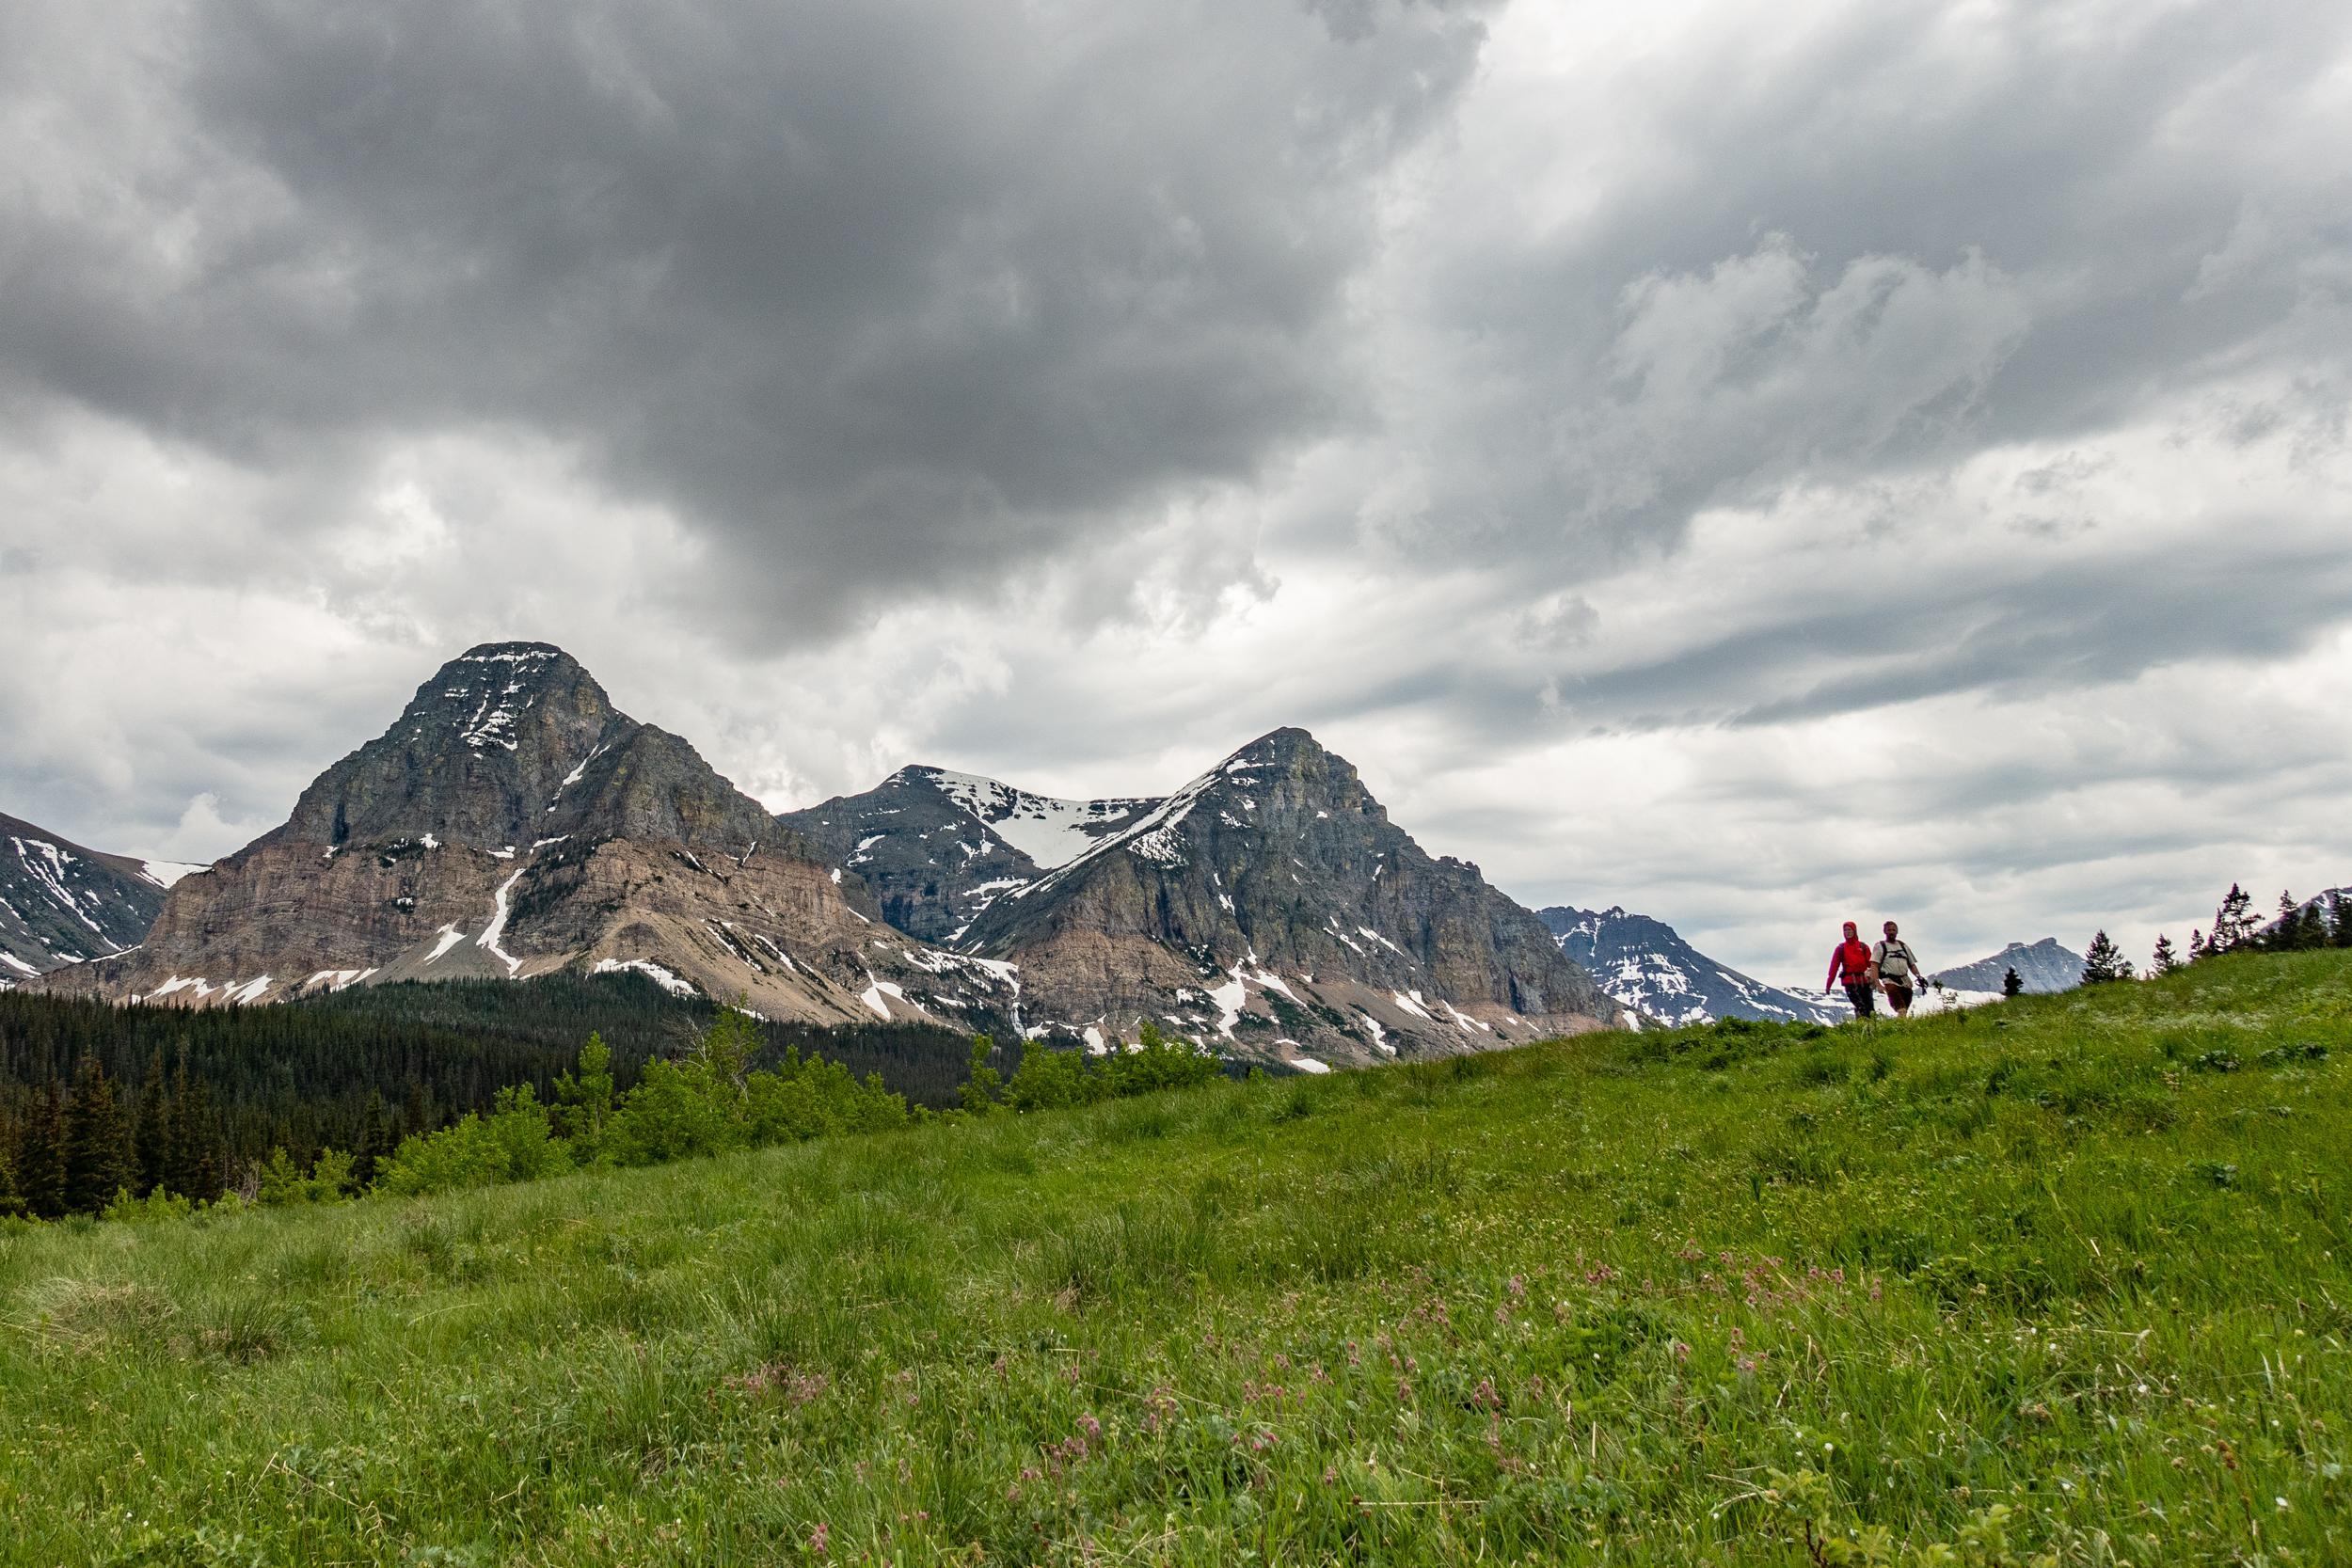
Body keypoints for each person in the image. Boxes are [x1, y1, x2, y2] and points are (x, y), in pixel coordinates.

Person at [1825, 921, 1876, 1018]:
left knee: (1870, 1009)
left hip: (1864, 982)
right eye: (1845, 930)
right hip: (1849, 982)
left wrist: (1877, 979)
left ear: (1854, 931)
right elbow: (1833, 968)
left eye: (1849, 930)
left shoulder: (1863, 947)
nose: (1847, 932)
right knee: (1861, 1007)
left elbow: (1872, 964)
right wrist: (1828, 985)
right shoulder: (1841, 948)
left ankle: (1868, 1029)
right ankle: (1864, 1028)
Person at [1875, 920, 1923, 1016]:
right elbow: (1874, 966)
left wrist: (1919, 977)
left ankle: (1901, 1025)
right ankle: (1901, 1026)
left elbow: (1912, 964)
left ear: (1897, 931)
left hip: (1905, 981)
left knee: (1905, 1007)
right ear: (1885, 931)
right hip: (1889, 981)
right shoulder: (1880, 946)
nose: (1892, 932)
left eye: (1893, 930)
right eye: (1889, 930)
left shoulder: (1903, 946)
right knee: (1901, 1008)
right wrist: (1878, 984)